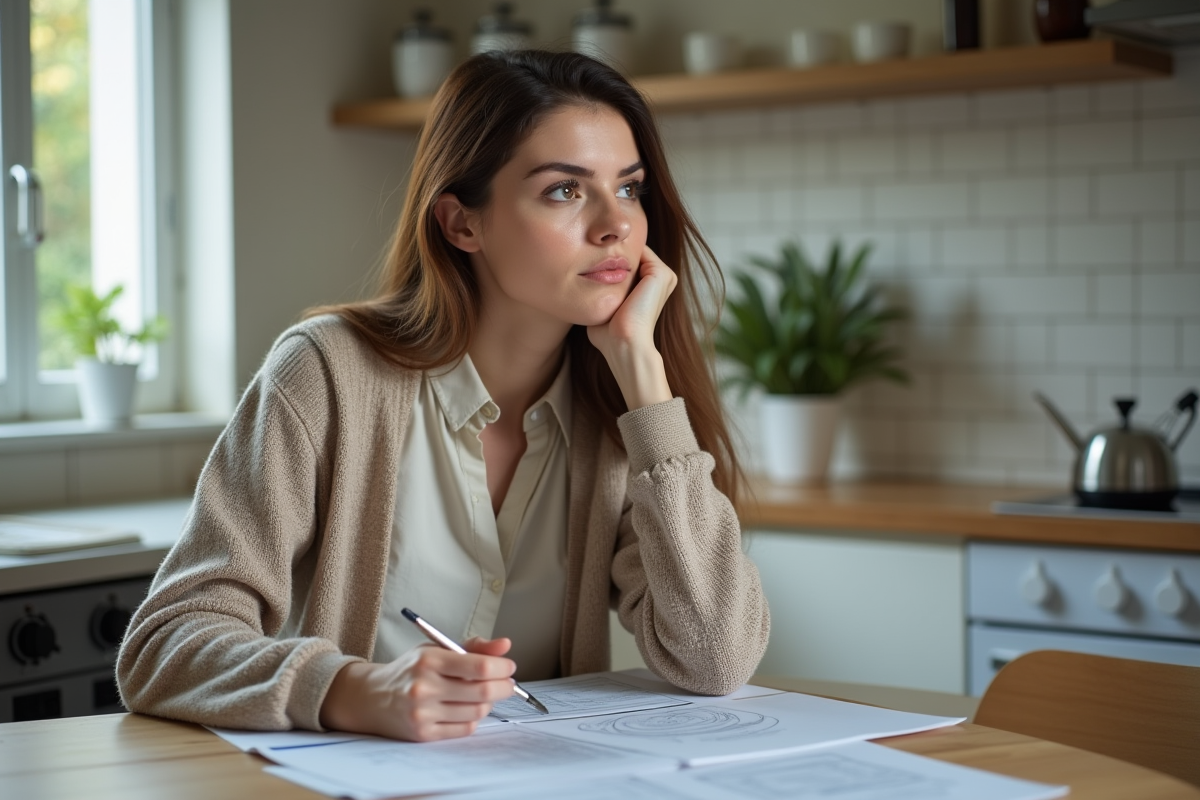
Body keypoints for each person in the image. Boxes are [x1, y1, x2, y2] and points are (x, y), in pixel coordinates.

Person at [116, 49, 769, 743]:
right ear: (462, 224)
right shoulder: (327, 372)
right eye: (565, 191)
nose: (616, 225)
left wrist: (644, 379)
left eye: (630, 188)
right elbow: (164, 645)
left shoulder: (624, 414)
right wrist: (352, 689)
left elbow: (715, 658)